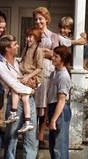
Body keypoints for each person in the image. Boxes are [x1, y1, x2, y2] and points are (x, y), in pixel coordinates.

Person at [0, 35, 42, 159]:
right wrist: (31, 90)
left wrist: (35, 86)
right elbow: (13, 85)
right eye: (14, 45)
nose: (17, 46)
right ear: (7, 49)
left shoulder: (20, 62)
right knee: (12, 136)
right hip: (15, 102)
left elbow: (33, 77)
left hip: (29, 101)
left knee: (31, 136)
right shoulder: (0, 66)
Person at [4, 26, 44, 134]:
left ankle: (28, 122)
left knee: (25, 97)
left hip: (33, 77)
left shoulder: (38, 51)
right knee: (14, 89)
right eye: (27, 36)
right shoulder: (26, 49)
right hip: (25, 75)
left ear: (36, 38)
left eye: (31, 36)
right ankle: (14, 112)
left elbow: (39, 68)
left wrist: (27, 77)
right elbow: (22, 62)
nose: (28, 39)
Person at [43, 45, 72, 159]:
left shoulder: (64, 76)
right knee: (53, 145)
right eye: (53, 55)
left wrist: (54, 119)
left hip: (60, 111)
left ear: (63, 59)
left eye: (56, 56)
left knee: (60, 146)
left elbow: (61, 100)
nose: (52, 58)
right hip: (53, 108)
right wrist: (48, 115)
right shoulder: (55, 73)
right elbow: (51, 96)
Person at [33, 7, 59, 147]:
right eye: (36, 19)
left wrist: (41, 51)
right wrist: (44, 52)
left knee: (45, 103)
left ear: (46, 19)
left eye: (40, 19)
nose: (38, 21)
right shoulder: (33, 34)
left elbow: (54, 54)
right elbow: (30, 52)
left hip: (48, 72)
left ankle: (41, 135)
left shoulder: (53, 36)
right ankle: (32, 134)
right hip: (35, 71)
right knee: (34, 102)